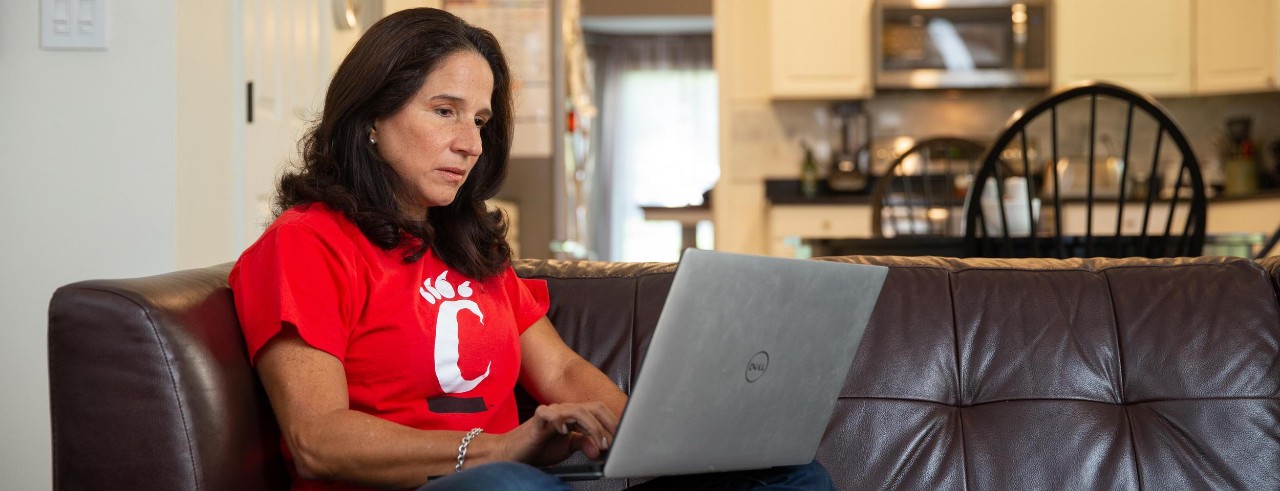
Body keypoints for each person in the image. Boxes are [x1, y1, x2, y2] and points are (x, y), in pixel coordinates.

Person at [230, 8, 834, 491]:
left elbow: (563, 370)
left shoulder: (467, 246)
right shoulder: (307, 243)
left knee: (791, 477)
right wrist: (497, 449)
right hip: (453, 485)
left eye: (481, 120)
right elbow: (317, 440)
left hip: (523, 480)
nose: (469, 143)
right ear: (370, 118)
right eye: (445, 112)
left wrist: (656, 437)